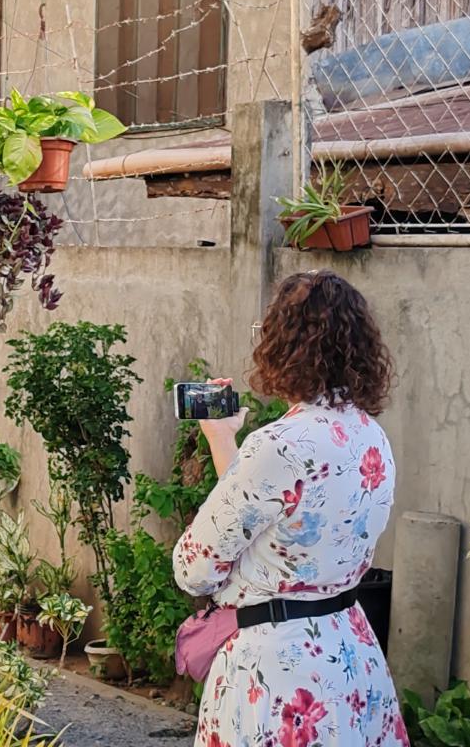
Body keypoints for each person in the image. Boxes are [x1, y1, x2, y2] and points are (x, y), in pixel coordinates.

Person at [174, 270, 409, 746]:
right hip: (349, 654)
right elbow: (283, 524)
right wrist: (223, 441)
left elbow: (194, 570)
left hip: (279, 673)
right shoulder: (371, 437)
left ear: (282, 345)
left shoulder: (278, 446)